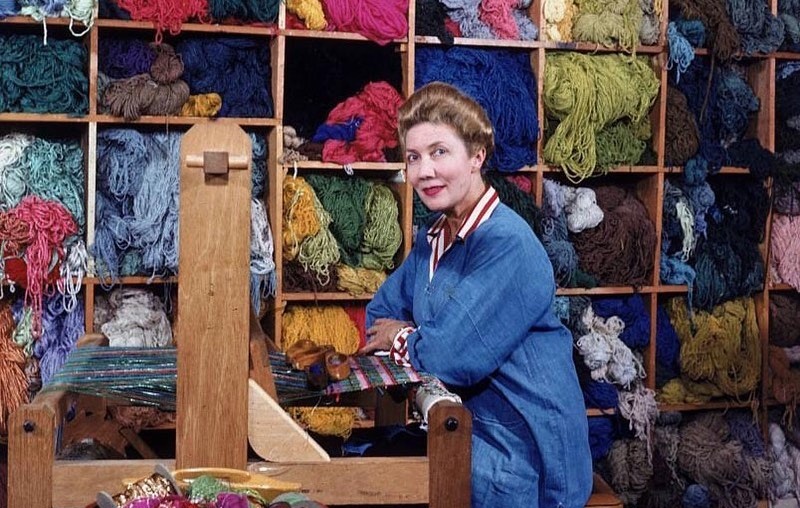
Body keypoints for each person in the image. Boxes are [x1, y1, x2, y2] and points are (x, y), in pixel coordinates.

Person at [359, 82, 593, 507]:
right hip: (469, 430)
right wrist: (420, 341)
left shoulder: (508, 245)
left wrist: (407, 339)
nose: (424, 171)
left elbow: (451, 358)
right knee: (358, 467)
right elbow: (379, 316)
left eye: (439, 152)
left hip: (525, 457)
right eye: (413, 158)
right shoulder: (433, 239)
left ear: (477, 157)